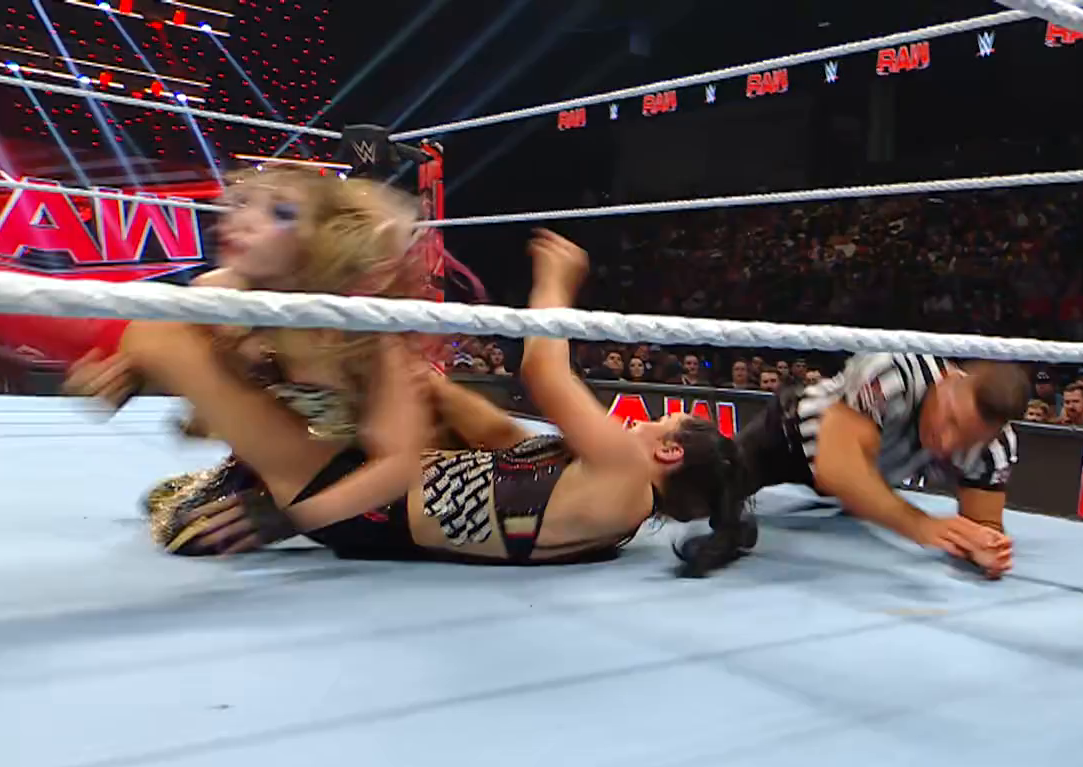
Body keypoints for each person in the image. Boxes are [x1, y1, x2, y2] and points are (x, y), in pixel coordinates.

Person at [73, 228, 752, 571]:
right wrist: (431, 391)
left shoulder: (625, 476)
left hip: (355, 494)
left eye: (657, 423)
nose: (639, 424)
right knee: (333, 351)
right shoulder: (610, 520)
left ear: (668, 451)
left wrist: (556, 282)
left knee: (161, 331)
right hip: (374, 506)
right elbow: (503, 446)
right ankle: (207, 402)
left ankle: (164, 381)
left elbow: (544, 371)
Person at [67, 168, 535, 550]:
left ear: (321, 241)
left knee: (465, 418)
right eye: (241, 202)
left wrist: (290, 518)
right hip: (315, 445)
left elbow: (406, 461)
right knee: (160, 337)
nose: (242, 220)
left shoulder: (359, 330)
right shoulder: (219, 295)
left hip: (387, 478)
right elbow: (210, 375)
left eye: (281, 211)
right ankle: (257, 480)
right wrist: (130, 375)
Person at [734, 349, 1026, 577]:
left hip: (867, 476)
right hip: (793, 437)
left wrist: (983, 548)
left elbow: (983, 524)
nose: (948, 444)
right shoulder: (892, 371)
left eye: (968, 440)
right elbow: (835, 468)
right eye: (951, 420)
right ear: (948, 381)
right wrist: (919, 524)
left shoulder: (993, 447)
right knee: (716, 483)